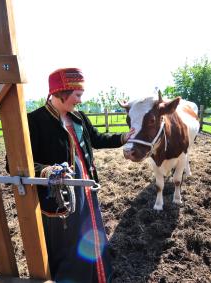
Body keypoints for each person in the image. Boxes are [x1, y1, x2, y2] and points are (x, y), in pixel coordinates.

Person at [27, 68, 133, 282]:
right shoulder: (35, 120)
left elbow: (97, 139)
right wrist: (47, 171)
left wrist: (123, 137)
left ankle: (99, 276)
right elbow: (20, 164)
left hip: (86, 189)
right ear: (60, 92)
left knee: (90, 234)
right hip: (60, 196)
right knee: (68, 241)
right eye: (77, 95)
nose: (80, 101)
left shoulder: (79, 117)